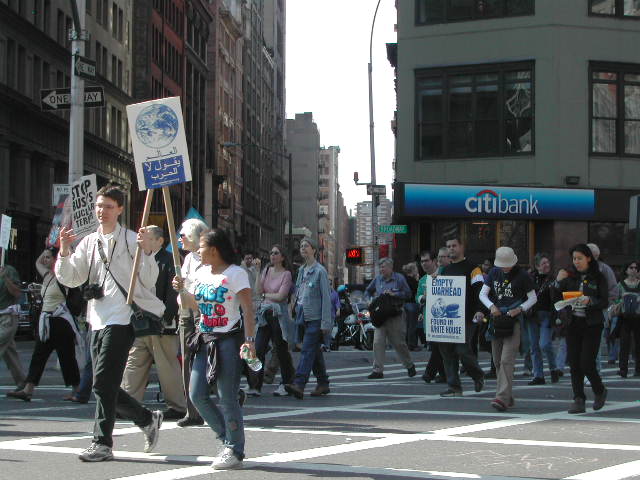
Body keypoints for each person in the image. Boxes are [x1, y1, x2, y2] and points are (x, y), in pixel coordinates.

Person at [55, 184, 164, 462]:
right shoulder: (89, 241)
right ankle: (146, 418)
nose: (102, 211)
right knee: (104, 384)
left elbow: (149, 280)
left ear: (119, 210)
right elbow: (71, 278)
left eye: (108, 207)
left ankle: (102, 442)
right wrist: (65, 251)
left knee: (102, 382)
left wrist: (148, 252)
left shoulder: (130, 239)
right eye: (99, 206)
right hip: (97, 319)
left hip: (123, 317)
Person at [172, 229, 256, 470]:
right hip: (204, 338)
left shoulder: (236, 274)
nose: (198, 251)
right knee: (197, 394)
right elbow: (192, 303)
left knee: (227, 396)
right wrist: (181, 290)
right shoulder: (200, 273)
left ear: (214, 250)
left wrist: (249, 341)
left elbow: (248, 310)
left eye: (201, 247)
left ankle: (234, 449)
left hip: (228, 340)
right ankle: (227, 440)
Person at [121, 226, 187, 419]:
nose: (142, 241)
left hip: (161, 324)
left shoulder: (169, 261)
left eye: (147, 238)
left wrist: (166, 318)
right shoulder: (138, 260)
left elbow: (173, 292)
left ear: (159, 241)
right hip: (140, 321)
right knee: (134, 363)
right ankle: (126, 403)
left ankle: (177, 406)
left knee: (167, 366)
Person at [8, 248, 81, 402]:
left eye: (49, 258)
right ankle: (28, 389)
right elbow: (37, 262)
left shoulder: (64, 277)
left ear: (56, 260)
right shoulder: (47, 276)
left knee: (67, 357)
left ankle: (78, 390)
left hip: (61, 322)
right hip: (47, 322)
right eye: (46, 258)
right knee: (38, 356)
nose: (45, 260)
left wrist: (61, 255)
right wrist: (48, 248)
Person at [479, 247, 537, 412]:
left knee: (506, 360)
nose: (505, 267)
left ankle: (502, 397)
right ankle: (506, 395)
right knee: (497, 360)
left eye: (507, 264)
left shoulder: (523, 275)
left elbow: (533, 298)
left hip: (514, 321)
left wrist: (520, 309)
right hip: (497, 320)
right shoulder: (493, 273)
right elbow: (482, 294)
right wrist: (491, 306)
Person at [553, 244, 608, 414]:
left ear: (589, 258)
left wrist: (590, 301)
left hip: (592, 325)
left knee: (587, 362)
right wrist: (557, 282)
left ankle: (599, 390)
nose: (576, 262)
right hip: (573, 323)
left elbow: (604, 301)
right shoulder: (570, 277)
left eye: (580, 258)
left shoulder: (598, 277)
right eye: (574, 259)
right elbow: (555, 298)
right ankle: (578, 399)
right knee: (575, 363)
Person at [437, 236, 485, 397]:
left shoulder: (473, 268)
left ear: (462, 247)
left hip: (467, 317)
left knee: (463, 350)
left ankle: (478, 375)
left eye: (454, 246)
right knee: (446, 351)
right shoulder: (445, 270)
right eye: (448, 246)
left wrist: (480, 310)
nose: (451, 249)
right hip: (448, 319)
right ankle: (454, 387)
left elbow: (481, 291)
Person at [285, 238, 332, 399]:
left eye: (306, 246)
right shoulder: (302, 271)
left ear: (314, 250)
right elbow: (299, 292)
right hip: (302, 316)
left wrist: (326, 322)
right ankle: (323, 383)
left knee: (306, 349)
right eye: (301, 246)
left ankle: (299, 384)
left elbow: (326, 298)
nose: (303, 248)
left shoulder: (320, 271)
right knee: (313, 350)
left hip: (316, 318)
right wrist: (294, 306)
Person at [247, 244, 295, 397]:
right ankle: (255, 385)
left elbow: (281, 296)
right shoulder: (266, 270)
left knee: (281, 350)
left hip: (278, 316)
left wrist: (265, 296)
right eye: (271, 253)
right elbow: (258, 290)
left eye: (276, 253)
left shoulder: (287, 274)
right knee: (259, 349)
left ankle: (286, 383)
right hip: (264, 316)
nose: (273, 255)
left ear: (282, 257)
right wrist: (258, 271)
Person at [175, 218, 208, 427]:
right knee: (186, 357)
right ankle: (192, 410)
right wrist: (178, 285)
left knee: (205, 357)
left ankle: (229, 392)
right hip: (185, 310)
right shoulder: (187, 259)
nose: (180, 239)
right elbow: (184, 284)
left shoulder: (209, 257)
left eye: (183, 235)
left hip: (203, 311)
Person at [365, 257, 416, 379]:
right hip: (380, 316)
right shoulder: (377, 279)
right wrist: (368, 300)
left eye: (383, 267)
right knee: (377, 342)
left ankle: (409, 365)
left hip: (395, 315)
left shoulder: (399, 278)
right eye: (380, 267)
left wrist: (396, 294)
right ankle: (378, 370)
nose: (381, 269)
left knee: (398, 343)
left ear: (390, 267)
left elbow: (408, 293)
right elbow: (368, 290)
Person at [527, 252, 562, 385]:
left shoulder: (553, 279)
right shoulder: (530, 279)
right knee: (534, 346)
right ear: (537, 266)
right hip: (532, 316)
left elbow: (558, 296)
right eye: (543, 263)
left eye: (548, 263)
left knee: (545, 344)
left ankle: (553, 368)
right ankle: (538, 375)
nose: (547, 265)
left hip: (547, 315)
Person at [587, 243, 620, 368]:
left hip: (599, 311)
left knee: (595, 343)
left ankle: (595, 372)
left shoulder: (604, 269)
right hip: (581, 311)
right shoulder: (579, 269)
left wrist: (605, 305)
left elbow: (613, 290)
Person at [416, 250, 446, 383]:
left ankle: (430, 373)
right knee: (436, 347)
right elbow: (417, 297)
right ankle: (443, 374)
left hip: (444, 318)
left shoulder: (445, 274)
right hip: (429, 319)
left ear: (434, 261)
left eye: (426, 260)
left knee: (439, 347)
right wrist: (423, 298)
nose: (424, 264)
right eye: (422, 261)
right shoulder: (423, 279)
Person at [0, 262, 27, 390]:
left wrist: (5, 278)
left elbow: (17, 293)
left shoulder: (9, 271)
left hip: (7, 317)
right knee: (9, 353)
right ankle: (22, 382)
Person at [614, 260, 640, 377]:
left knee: (638, 344)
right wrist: (621, 300)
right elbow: (615, 299)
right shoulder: (620, 285)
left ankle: (638, 370)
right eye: (631, 267)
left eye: (636, 268)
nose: (634, 269)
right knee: (624, 344)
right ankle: (623, 369)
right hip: (624, 317)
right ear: (626, 270)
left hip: (638, 317)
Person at [402, 262, 421, 351]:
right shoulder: (412, 280)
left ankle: (406, 343)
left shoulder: (404, 279)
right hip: (412, 304)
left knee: (407, 325)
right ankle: (412, 344)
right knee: (413, 325)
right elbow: (417, 290)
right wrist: (417, 280)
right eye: (416, 269)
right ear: (413, 270)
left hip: (405, 304)